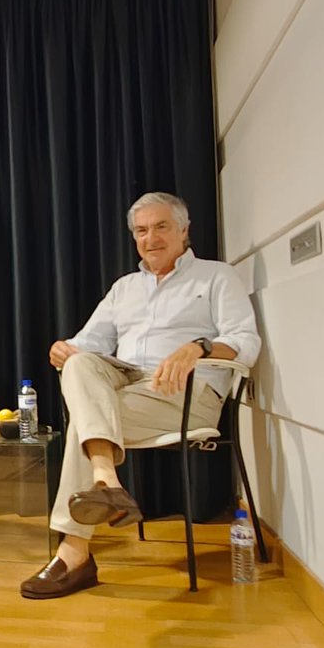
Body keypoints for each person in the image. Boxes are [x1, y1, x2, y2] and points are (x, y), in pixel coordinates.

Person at [21, 192, 261, 599]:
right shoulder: (124, 288)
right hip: (128, 385)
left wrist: (198, 347)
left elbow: (246, 341)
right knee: (79, 365)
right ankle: (105, 478)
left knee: (84, 420)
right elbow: (87, 343)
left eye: (161, 226)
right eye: (141, 230)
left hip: (187, 393)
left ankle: (74, 551)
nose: (151, 238)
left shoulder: (217, 277)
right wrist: (64, 349)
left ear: (184, 230)